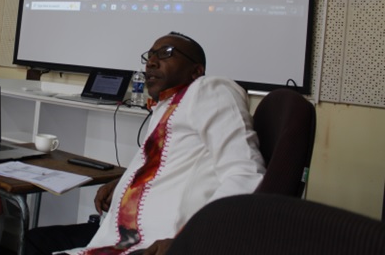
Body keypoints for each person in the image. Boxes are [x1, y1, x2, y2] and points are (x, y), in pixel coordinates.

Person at [24, 32, 266, 255]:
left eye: (166, 53)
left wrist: (192, 240)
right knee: (34, 240)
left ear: (196, 71)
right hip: (123, 234)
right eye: (149, 56)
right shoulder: (166, 106)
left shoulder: (210, 89)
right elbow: (169, 166)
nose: (151, 62)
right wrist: (123, 183)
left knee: (36, 244)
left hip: (157, 242)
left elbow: (246, 173)